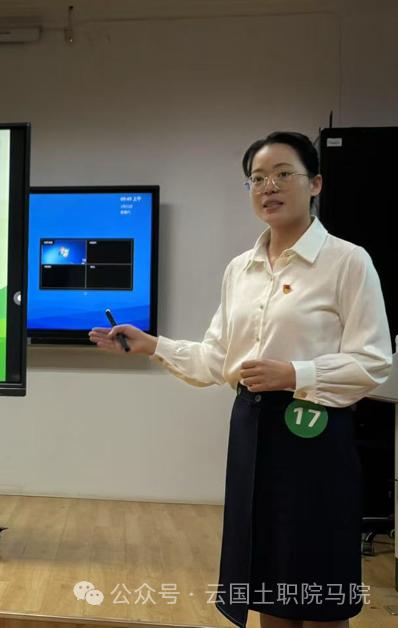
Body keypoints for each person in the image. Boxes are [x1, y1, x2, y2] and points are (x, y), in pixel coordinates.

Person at [89, 131, 393, 628]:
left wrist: (295, 374)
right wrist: (152, 345)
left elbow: (374, 361)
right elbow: (218, 358)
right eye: (257, 178)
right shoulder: (240, 269)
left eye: (283, 175)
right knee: (268, 584)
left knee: (319, 587)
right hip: (252, 430)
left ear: (315, 183)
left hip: (315, 434)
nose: (268, 187)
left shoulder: (347, 261)